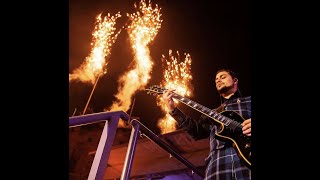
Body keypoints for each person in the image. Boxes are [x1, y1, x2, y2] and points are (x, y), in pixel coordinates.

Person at [163, 68, 251, 180]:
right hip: (218, 163)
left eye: (223, 77)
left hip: (247, 160)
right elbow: (197, 132)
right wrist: (173, 110)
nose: (218, 80)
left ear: (235, 80)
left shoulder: (249, 101)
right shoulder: (212, 113)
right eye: (216, 80)